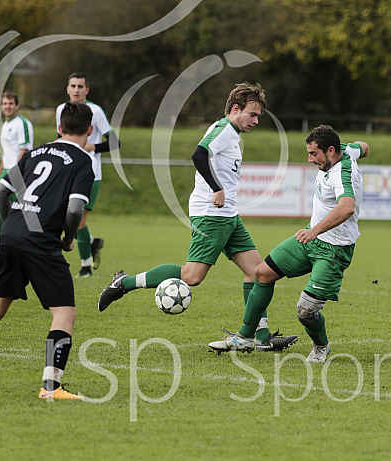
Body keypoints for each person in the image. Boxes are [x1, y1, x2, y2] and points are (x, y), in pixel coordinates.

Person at [98, 82, 298, 352]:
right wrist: (217, 188)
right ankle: (125, 283)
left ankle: (260, 338)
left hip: (229, 216)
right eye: (252, 114)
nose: (256, 120)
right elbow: (199, 153)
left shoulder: (232, 135)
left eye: (258, 116)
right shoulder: (223, 130)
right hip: (210, 214)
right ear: (235, 109)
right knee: (192, 276)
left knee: (259, 274)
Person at [0, 101, 95, 400]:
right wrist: (66, 238)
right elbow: (76, 207)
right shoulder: (82, 162)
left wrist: (13, 221)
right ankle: (51, 388)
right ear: (89, 131)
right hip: (40, 241)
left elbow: (1, 191)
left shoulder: (36, 152)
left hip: (11, 235)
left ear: (59, 128)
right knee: (64, 313)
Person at [208, 125, 368, 362]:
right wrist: (361, 150)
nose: (310, 159)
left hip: (333, 250)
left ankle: (321, 346)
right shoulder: (346, 151)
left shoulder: (342, 173)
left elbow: (347, 207)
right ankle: (245, 337)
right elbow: (363, 146)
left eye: (314, 154)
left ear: (331, 150)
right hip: (310, 241)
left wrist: (314, 231)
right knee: (262, 273)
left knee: (306, 311)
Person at [56, 72, 119, 277]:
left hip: (90, 173)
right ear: (67, 89)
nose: (76, 90)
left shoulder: (95, 111)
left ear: (87, 90)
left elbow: (114, 142)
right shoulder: (61, 110)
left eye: (80, 86)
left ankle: (85, 267)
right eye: (73, 86)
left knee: (79, 221)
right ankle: (92, 242)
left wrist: (93, 146)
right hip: (67, 171)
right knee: (64, 217)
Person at [0, 92, 33, 241]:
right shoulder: (5, 125)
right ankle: (7, 242)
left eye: (11, 103)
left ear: (17, 106)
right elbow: (6, 153)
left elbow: (25, 150)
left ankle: (28, 245)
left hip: (17, 173)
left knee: (26, 213)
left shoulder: (22, 123)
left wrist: (15, 173)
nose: (7, 106)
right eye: (5, 104)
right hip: (6, 172)